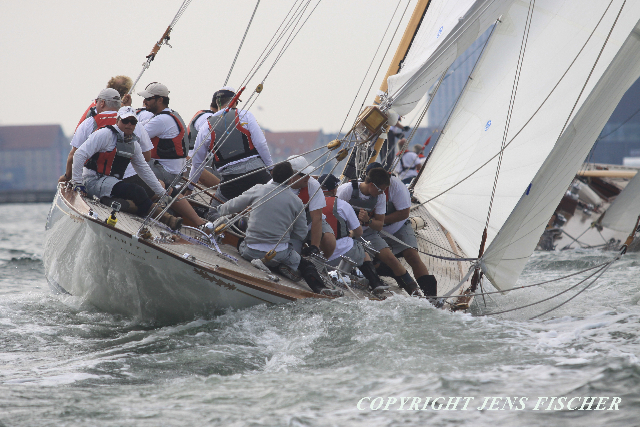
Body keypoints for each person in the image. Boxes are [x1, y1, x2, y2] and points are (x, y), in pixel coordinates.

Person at [217, 162, 341, 296]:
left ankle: (269, 263)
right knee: (306, 266)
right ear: (291, 178)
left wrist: (219, 209)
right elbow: (301, 234)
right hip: (279, 254)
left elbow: (228, 207)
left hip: (251, 252)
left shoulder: (258, 189)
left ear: (271, 174)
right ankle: (319, 288)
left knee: (241, 241)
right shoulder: (296, 201)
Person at [70, 107, 183, 229]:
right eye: (125, 121)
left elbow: (144, 169)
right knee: (136, 191)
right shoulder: (104, 135)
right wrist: (77, 183)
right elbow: (79, 154)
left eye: (133, 122)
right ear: (118, 120)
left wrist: (162, 193)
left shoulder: (133, 144)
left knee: (137, 194)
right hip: (92, 180)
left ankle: (110, 202)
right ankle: (168, 219)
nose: (129, 124)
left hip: (109, 182)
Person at [335, 168, 421, 296]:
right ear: (371, 184)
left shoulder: (380, 196)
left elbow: (379, 225)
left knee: (392, 260)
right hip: (345, 233)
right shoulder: (347, 190)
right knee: (359, 255)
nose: (382, 192)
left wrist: (368, 220)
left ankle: (414, 291)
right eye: (380, 189)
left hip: (368, 233)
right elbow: (333, 212)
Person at [188, 86, 274, 210]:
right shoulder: (246, 115)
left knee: (213, 214)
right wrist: (270, 168)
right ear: (235, 101)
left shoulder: (206, 127)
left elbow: (197, 163)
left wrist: (190, 188)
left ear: (217, 103)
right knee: (273, 201)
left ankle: (239, 223)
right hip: (257, 173)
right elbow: (261, 144)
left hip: (231, 180)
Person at [367, 162, 437, 299]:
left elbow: (404, 213)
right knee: (370, 261)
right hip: (372, 231)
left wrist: (379, 222)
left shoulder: (397, 187)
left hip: (397, 227)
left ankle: (431, 296)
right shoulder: (360, 188)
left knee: (412, 256)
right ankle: (395, 274)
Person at [319, 174, 388, 294]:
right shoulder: (343, 205)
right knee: (360, 248)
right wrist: (350, 233)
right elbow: (359, 232)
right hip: (338, 255)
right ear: (335, 189)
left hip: (317, 257)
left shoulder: (308, 204)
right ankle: (375, 282)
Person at [137, 82, 189, 188]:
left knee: (129, 168)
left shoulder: (161, 120)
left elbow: (135, 136)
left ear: (160, 100)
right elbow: (137, 126)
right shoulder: (170, 115)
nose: (144, 101)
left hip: (167, 174)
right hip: (175, 173)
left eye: (148, 98)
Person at [287, 156, 336, 259]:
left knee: (329, 241)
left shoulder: (313, 186)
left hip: (308, 220)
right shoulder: (276, 185)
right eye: (303, 174)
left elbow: (316, 218)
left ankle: (317, 264)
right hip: (287, 223)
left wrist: (314, 246)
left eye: (308, 173)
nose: (308, 177)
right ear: (292, 175)